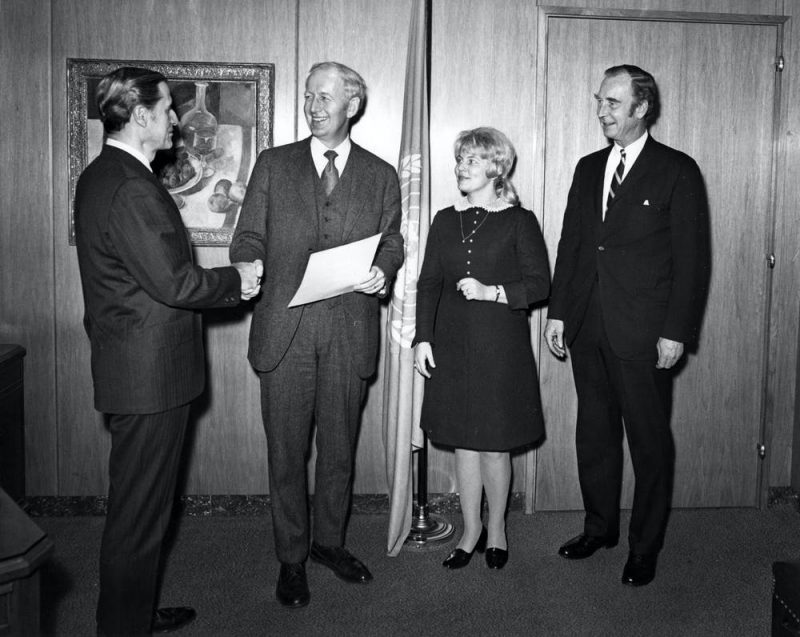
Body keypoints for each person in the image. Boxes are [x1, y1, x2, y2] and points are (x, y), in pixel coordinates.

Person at [74, 67, 262, 636]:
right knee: (138, 517)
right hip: (148, 378)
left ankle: (129, 612)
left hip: (136, 370)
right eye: (166, 110)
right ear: (140, 116)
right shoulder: (130, 185)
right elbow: (175, 284)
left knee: (141, 510)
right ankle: (123, 626)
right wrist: (239, 279)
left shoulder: (105, 175)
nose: (176, 119)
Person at [229, 61, 404, 607]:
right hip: (286, 332)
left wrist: (384, 269)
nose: (313, 106)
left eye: (325, 97)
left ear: (352, 104)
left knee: (338, 451)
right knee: (286, 452)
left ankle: (329, 544)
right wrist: (248, 263)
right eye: (309, 97)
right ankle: (291, 558)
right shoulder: (273, 164)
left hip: (349, 330)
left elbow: (393, 241)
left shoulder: (380, 174)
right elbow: (247, 235)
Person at [544, 65, 709, 586]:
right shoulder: (588, 167)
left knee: (648, 442)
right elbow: (573, 244)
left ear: (642, 108)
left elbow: (692, 260)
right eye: (600, 100)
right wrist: (558, 311)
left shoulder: (677, 170)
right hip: (588, 327)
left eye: (613, 103)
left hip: (644, 333)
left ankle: (644, 546)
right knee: (594, 434)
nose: (602, 111)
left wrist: (676, 331)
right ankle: (599, 528)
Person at [413, 127, 550, 570]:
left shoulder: (518, 220)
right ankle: (470, 531)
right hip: (452, 346)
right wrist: (422, 338)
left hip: (499, 349)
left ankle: (497, 531)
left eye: (472, 160)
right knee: (464, 446)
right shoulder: (443, 220)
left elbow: (540, 284)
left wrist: (493, 292)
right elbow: (429, 284)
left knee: (494, 446)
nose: (461, 167)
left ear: (496, 166)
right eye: (460, 159)